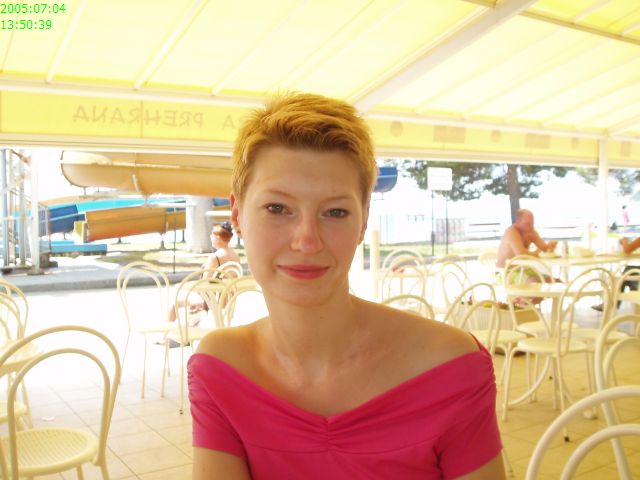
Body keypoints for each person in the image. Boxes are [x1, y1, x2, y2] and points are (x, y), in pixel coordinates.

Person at [188, 93, 504, 479]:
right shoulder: (222, 368)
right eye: (277, 208)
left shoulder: (450, 366)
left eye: (335, 212)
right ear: (237, 215)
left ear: (363, 221)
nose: (307, 240)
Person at [168, 221, 241, 324]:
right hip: (229, 299)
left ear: (218, 237)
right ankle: (191, 326)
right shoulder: (235, 255)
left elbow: (204, 283)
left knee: (175, 303)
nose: (210, 237)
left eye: (212, 235)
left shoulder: (215, 257)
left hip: (212, 300)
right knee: (192, 304)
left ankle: (168, 332)